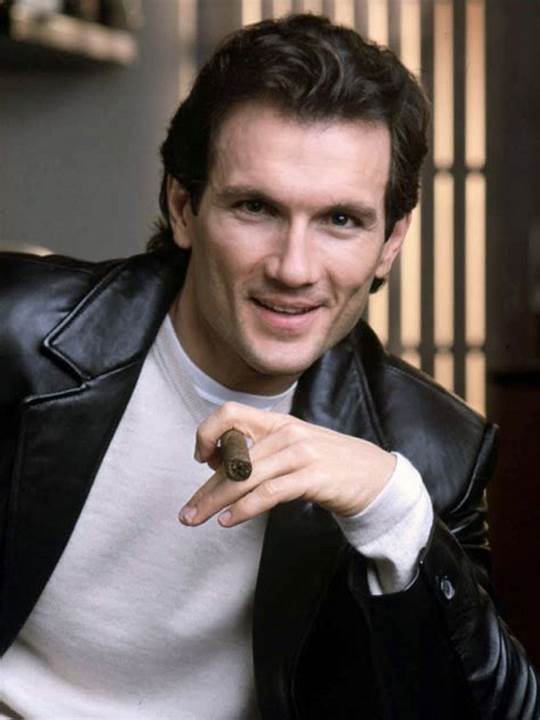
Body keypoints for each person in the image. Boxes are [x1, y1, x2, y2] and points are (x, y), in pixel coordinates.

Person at [0, 13, 537, 720]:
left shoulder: (434, 452)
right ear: (184, 207)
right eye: (256, 207)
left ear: (390, 241)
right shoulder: (17, 331)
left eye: (341, 220)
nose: (293, 267)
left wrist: (392, 509)